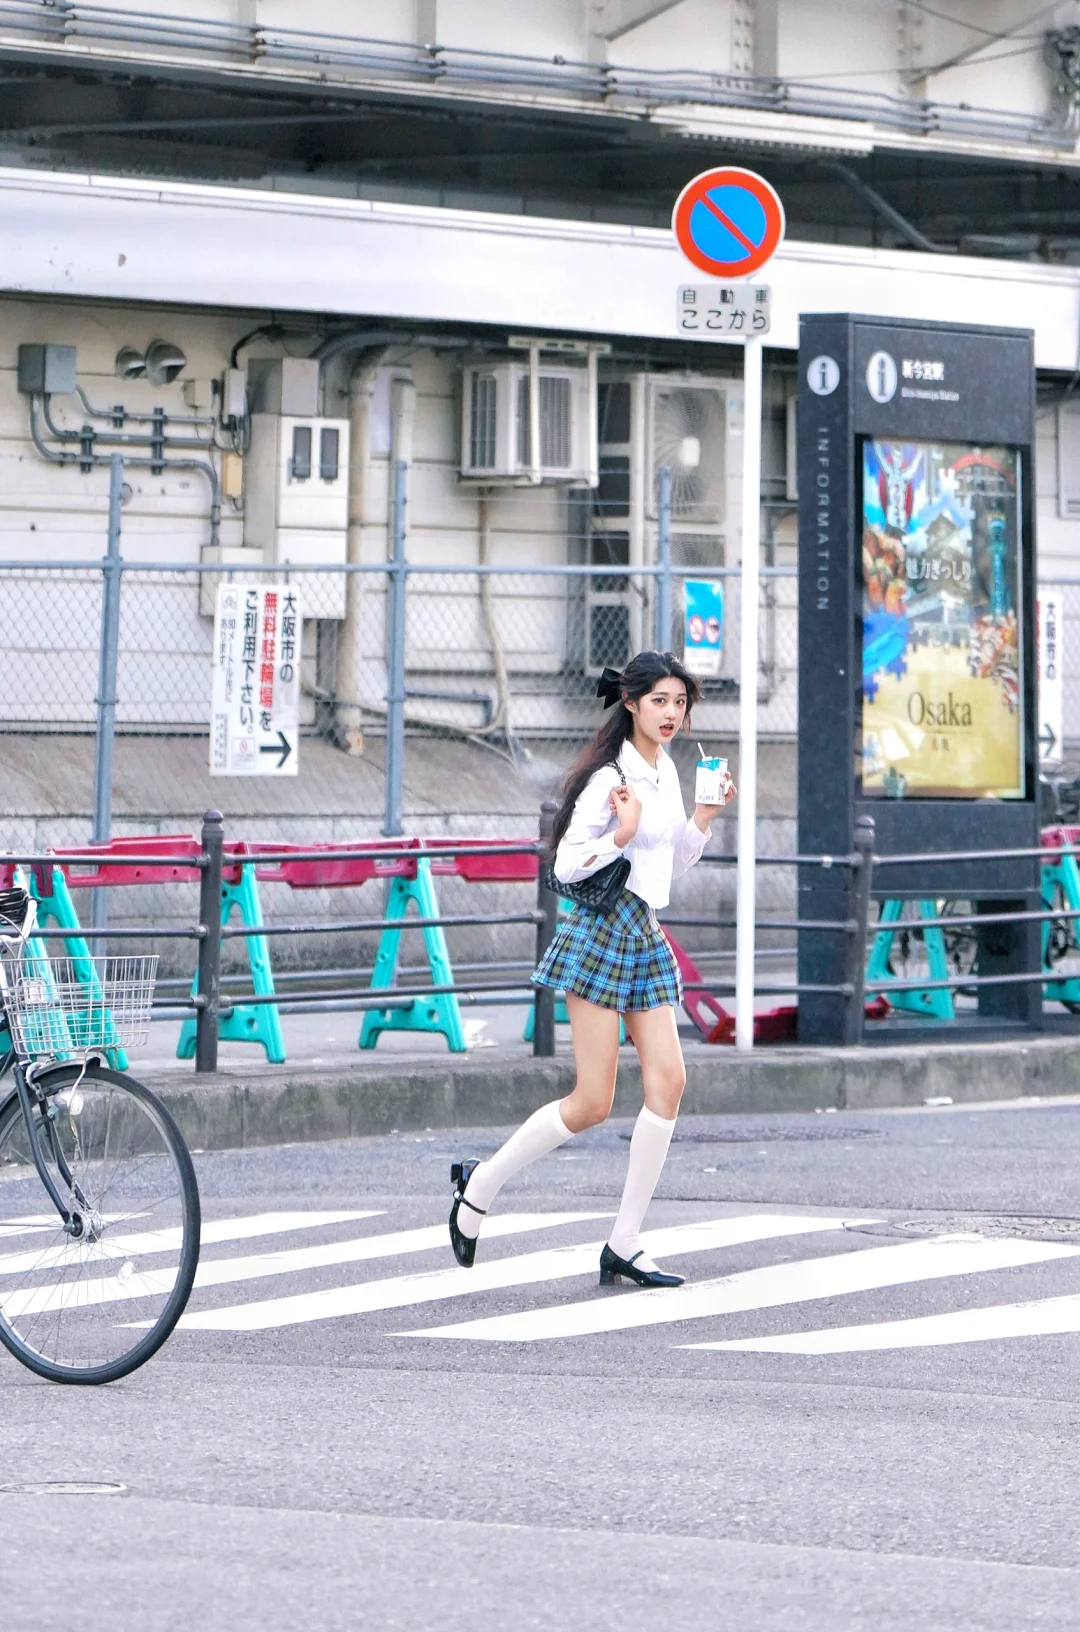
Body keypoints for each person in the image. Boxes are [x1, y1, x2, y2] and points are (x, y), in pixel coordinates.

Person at [449, 649, 735, 1288]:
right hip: (600, 935)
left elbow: (669, 866)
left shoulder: (664, 770)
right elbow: (567, 867)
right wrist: (620, 833)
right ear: (630, 702)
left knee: (669, 1081)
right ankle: (479, 1185)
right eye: (659, 700)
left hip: (644, 933)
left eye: (679, 702)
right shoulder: (612, 778)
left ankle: (625, 1243)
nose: (670, 713)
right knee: (592, 1102)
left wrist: (703, 820)